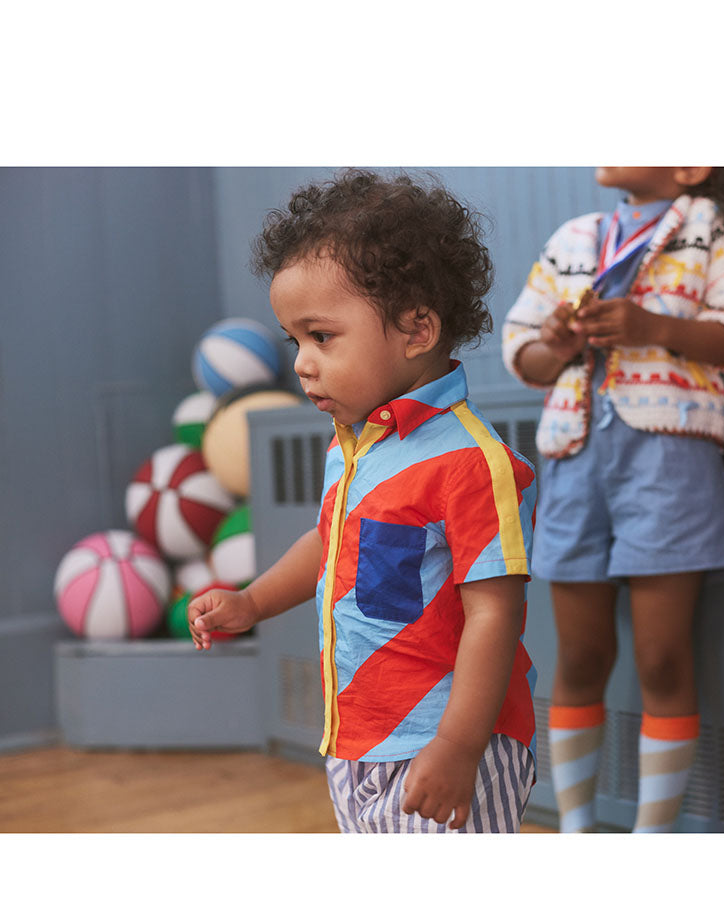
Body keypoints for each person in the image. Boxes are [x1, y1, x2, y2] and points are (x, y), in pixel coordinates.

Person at [188, 169, 538, 833]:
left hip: (446, 745)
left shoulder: (472, 463)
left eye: (321, 337)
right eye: (294, 341)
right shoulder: (353, 444)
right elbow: (330, 543)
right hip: (355, 739)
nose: (301, 362)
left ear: (416, 329)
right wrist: (253, 602)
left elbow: (495, 614)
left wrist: (458, 747)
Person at [502, 167, 724, 832]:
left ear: (690, 166)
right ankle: (577, 828)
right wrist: (555, 343)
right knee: (580, 656)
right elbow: (522, 354)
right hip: (573, 462)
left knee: (663, 660)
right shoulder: (574, 237)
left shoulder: (711, 225)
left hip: (671, 462)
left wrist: (650, 325)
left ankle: (653, 836)